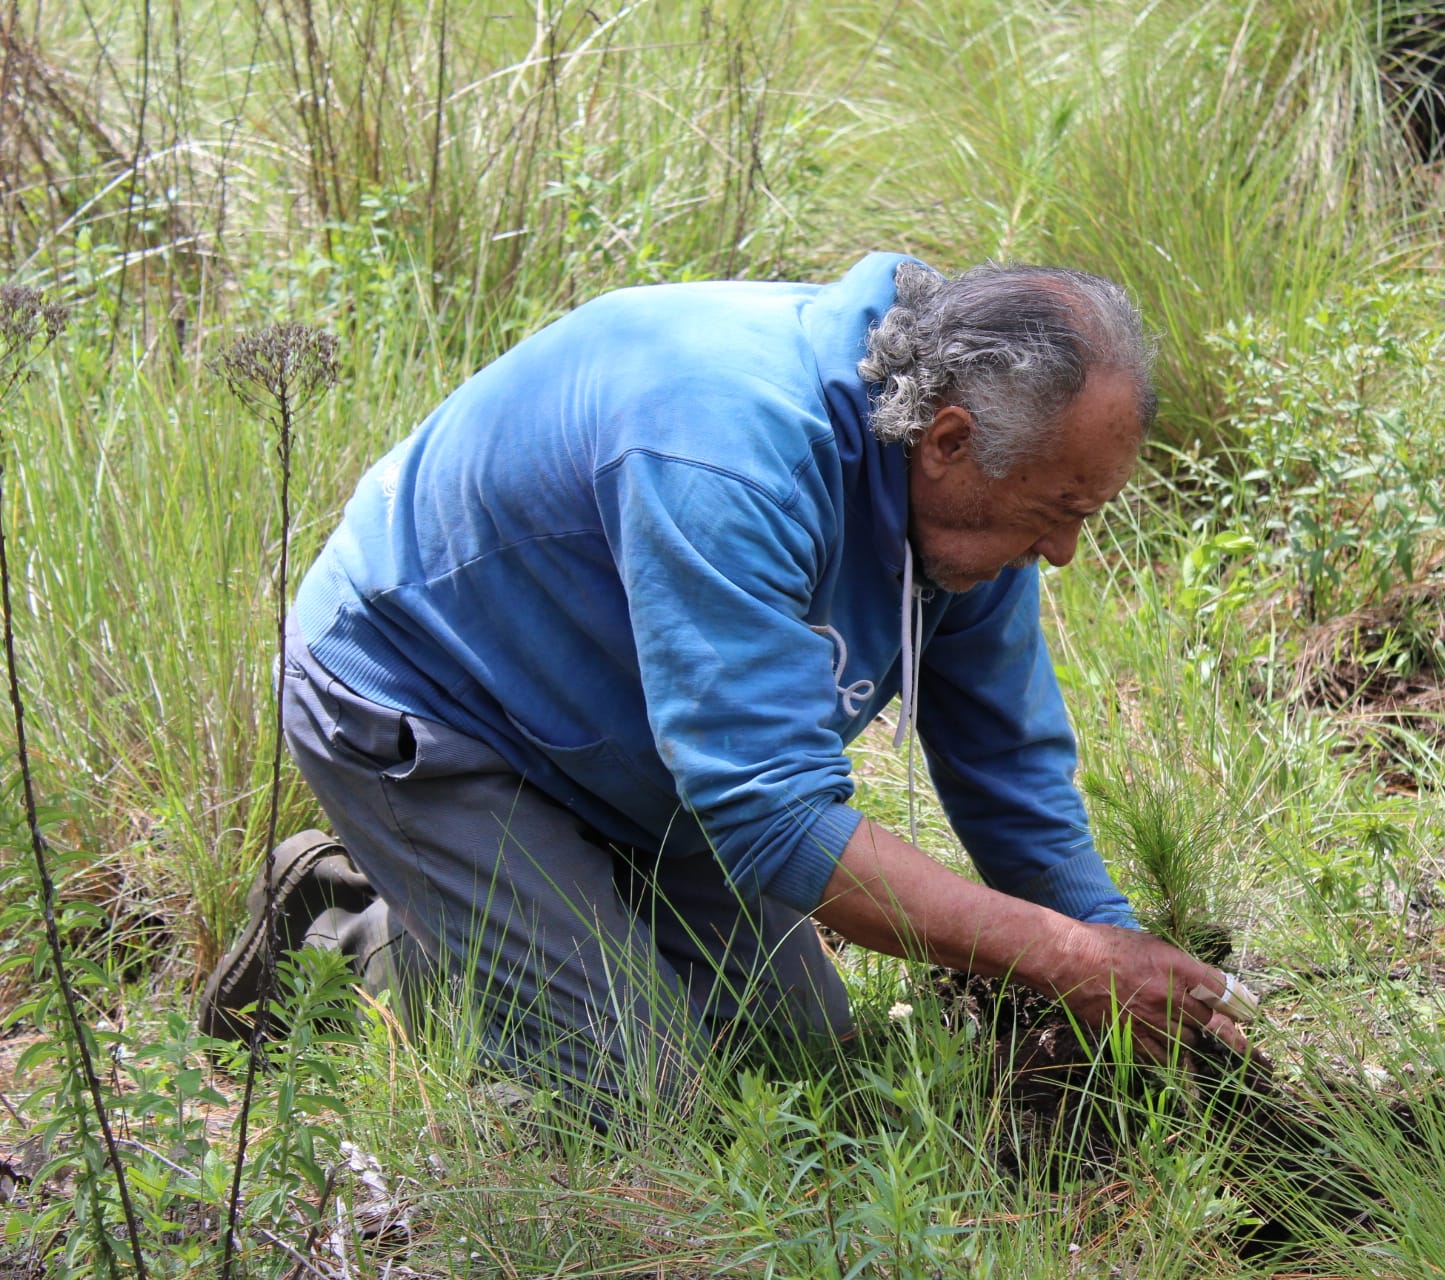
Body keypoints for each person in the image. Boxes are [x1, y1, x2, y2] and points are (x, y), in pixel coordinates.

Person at [199, 253, 1249, 1106]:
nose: (1063, 552)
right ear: (951, 439)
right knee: (640, 1097)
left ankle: (517, 912)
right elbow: (767, 814)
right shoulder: (732, 450)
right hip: (431, 704)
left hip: (644, 747)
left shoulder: (974, 508)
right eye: (1060, 508)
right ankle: (344, 928)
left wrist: (1119, 960)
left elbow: (1007, 766)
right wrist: (1059, 954)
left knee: (805, 1065)